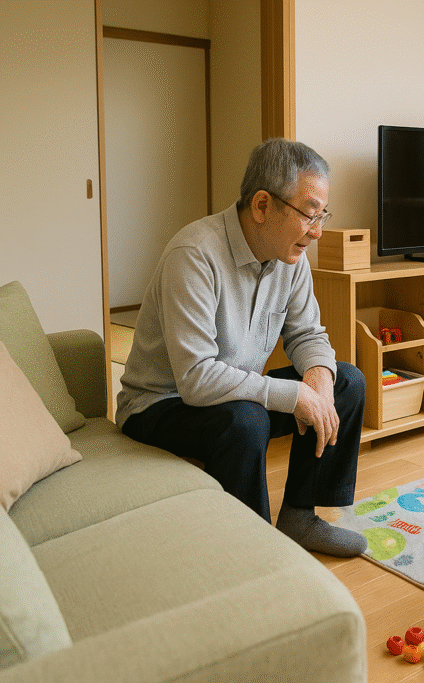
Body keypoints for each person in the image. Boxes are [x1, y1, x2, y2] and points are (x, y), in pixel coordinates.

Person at [116, 138, 368, 558]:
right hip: (160, 405)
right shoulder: (194, 254)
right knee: (247, 421)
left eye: (322, 214)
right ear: (263, 205)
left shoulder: (292, 259)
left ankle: (299, 517)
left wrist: (319, 381)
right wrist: (294, 395)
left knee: (347, 382)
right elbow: (196, 379)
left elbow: (308, 334)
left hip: (230, 395)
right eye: (309, 214)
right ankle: (248, 549)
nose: (318, 230)